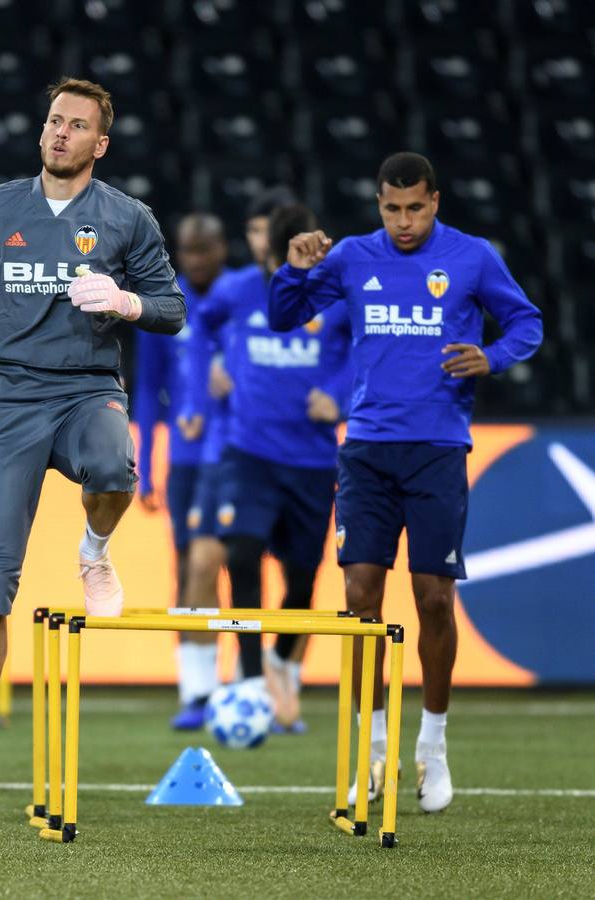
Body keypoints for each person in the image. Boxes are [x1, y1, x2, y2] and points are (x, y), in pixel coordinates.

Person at [0, 77, 185, 818]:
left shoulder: (128, 219)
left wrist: (127, 302)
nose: (60, 133)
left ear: (100, 143)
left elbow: (172, 310)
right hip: (6, 400)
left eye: (77, 125)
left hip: (88, 387)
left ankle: (94, 553)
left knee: (115, 468)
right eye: (53, 121)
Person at [270, 151, 543, 813]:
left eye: (415, 207)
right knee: (361, 598)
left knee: (434, 601)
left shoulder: (473, 257)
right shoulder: (354, 256)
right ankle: (373, 749)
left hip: (437, 450)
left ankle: (434, 745)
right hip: (365, 449)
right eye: (392, 209)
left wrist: (495, 355)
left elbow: (528, 322)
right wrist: (293, 268)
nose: (403, 221)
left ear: (436, 201)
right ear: (378, 204)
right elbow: (284, 316)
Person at [194, 202, 353, 731]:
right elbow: (200, 326)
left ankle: (285, 662)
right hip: (250, 450)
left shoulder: (333, 291)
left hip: (311, 456)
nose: (263, 242)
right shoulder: (238, 288)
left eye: (272, 233)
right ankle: (251, 678)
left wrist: (338, 394)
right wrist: (212, 368)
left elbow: (367, 348)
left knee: (303, 576)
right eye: (259, 233)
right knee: (240, 552)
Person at [132, 212, 233, 730]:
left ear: (223, 248)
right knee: (187, 565)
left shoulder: (240, 299)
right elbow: (148, 390)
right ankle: (196, 690)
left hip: (238, 454)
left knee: (238, 565)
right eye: (187, 251)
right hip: (188, 462)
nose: (196, 260)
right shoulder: (164, 305)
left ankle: (251, 682)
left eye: (205, 250)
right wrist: (146, 467)